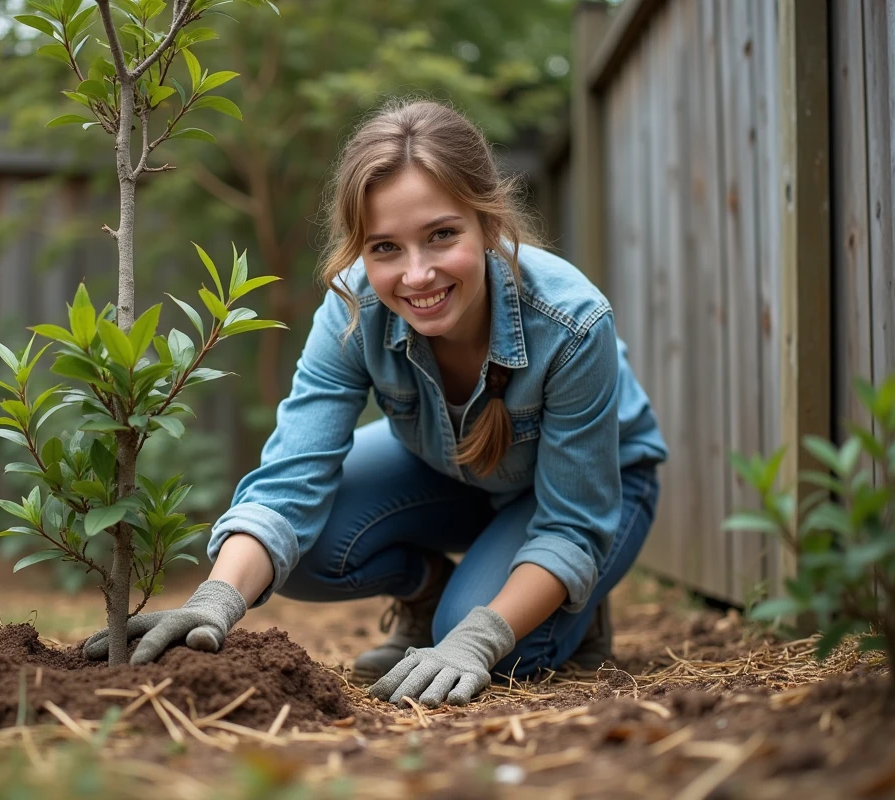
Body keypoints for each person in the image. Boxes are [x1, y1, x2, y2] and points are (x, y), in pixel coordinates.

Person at [84, 99, 668, 709]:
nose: (416, 275)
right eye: (385, 247)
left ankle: (576, 606)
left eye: (441, 235)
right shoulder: (351, 310)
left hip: (595, 490)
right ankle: (428, 589)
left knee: (501, 650)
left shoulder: (572, 323)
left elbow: (572, 521)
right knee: (300, 550)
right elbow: (289, 482)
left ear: (488, 224)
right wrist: (216, 600)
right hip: (449, 468)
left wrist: (476, 638)